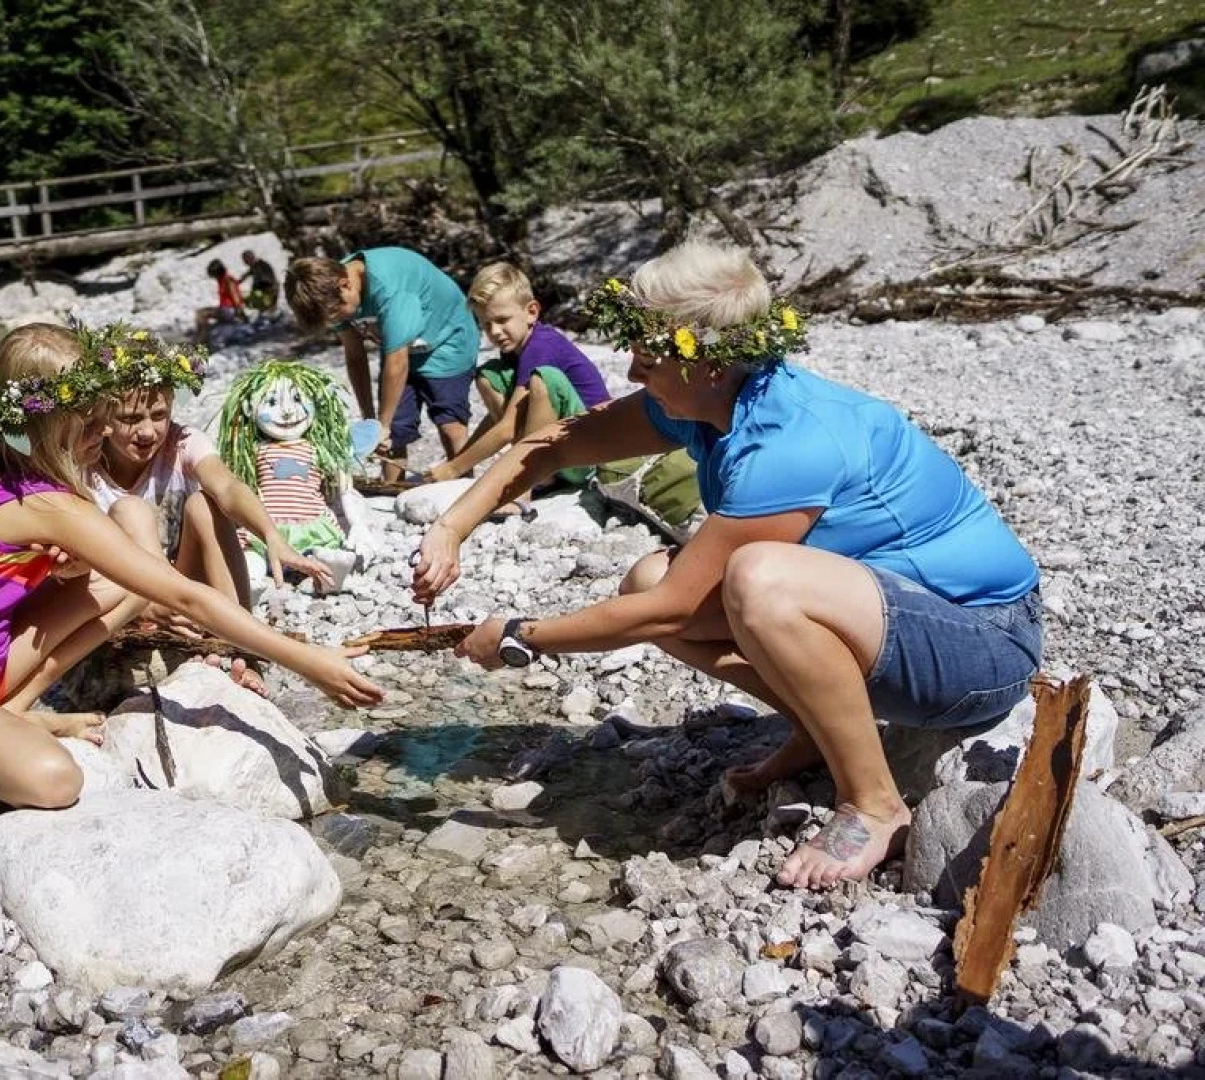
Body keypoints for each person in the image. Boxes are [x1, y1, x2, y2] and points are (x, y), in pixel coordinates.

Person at [411, 242, 1042, 891]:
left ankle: (873, 804)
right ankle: (815, 729)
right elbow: (552, 445)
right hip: (891, 622)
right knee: (647, 579)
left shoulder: (788, 441)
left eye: (649, 358)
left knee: (756, 579)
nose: (630, 370)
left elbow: (677, 609)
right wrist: (449, 527)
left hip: (982, 647)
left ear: (706, 362)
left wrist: (519, 636)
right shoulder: (707, 402)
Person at [0, 322, 382, 811]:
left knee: (123, 560)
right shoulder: (50, 507)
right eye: (91, 426)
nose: (104, 434)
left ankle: (10, 712)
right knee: (56, 780)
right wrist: (308, 661)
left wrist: (61, 570)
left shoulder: (8, 472)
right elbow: (186, 595)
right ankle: (3, 722)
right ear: (46, 424)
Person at [86, 325, 335, 611]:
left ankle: (237, 627)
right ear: (104, 414)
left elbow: (227, 486)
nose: (147, 432)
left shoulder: (182, 442)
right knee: (130, 510)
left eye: (158, 415)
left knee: (205, 505)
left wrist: (271, 535)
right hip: (121, 595)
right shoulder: (86, 459)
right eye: (130, 418)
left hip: (184, 587)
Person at [285, 247, 477, 480]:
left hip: (447, 339)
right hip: (400, 345)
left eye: (337, 313)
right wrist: (372, 424)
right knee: (395, 428)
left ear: (345, 285)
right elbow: (355, 357)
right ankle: (393, 489)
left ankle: (465, 483)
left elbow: (398, 364)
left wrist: (381, 426)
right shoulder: (329, 293)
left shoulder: (390, 290)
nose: (338, 320)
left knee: (449, 421)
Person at [426, 261, 610, 488]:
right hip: (565, 449)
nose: (494, 332)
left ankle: (532, 475)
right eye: (486, 324)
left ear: (531, 312)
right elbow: (499, 421)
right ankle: (535, 466)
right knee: (489, 376)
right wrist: (460, 461)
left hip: (589, 453)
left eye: (502, 320)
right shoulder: (515, 352)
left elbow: (507, 428)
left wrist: (454, 468)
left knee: (546, 379)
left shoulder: (541, 346)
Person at [193, 258, 246, 346]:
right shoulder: (223, 279)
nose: (213, 277)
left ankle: (202, 340)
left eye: (213, 274)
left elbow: (235, 295)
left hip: (229, 310)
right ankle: (201, 337)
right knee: (201, 312)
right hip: (226, 309)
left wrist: (240, 312)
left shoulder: (228, 279)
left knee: (201, 314)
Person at [239, 249, 279, 314]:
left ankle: (269, 308)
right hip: (264, 293)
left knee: (254, 297)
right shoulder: (254, 266)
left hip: (269, 293)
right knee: (246, 299)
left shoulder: (262, 265)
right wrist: (237, 282)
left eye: (246, 260)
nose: (246, 262)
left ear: (252, 257)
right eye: (245, 261)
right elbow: (245, 276)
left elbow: (272, 283)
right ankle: (264, 308)